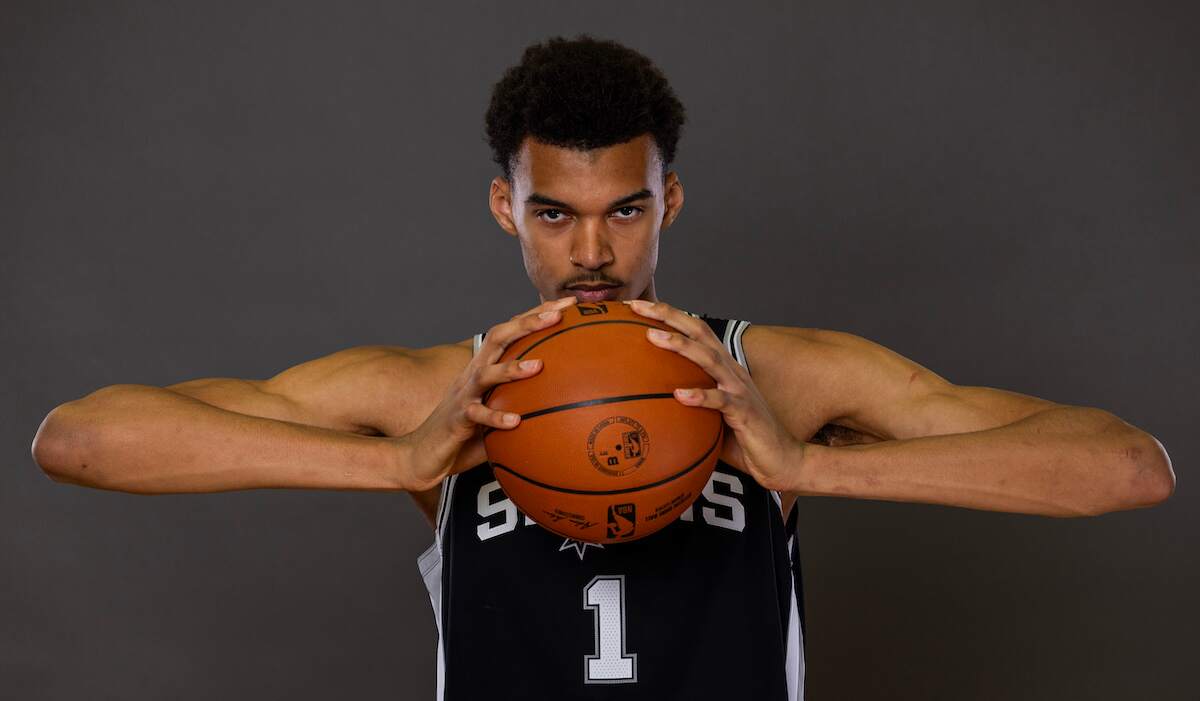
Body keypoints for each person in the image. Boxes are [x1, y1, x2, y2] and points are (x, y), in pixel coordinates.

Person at [30, 35, 1174, 701]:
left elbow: (1124, 466)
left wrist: (806, 468)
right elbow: (80, 438)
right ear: (504, 207)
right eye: (555, 213)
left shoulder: (779, 374)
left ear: (667, 199)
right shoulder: (435, 389)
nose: (591, 253)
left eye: (626, 210)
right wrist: (398, 463)